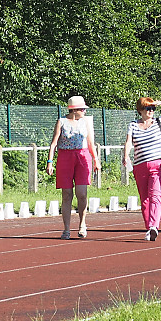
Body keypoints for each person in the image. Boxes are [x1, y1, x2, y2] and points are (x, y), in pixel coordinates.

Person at [123, 97, 161, 241]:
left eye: (152, 108)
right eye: (147, 108)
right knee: (145, 199)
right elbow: (128, 142)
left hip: (158, 166)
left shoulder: (160, 121)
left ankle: (153, 226)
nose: (150, 111)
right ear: (140, 110)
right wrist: (126, 156)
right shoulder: (133, 125)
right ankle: (149, 227)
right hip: (140, 166)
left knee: (155, 195)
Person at [46, 96, 100, 239]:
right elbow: (53, 143)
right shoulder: (61, 122)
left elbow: (90, 143)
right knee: (67, 194)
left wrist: (96, 160)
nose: (84, 111)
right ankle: (66, 229)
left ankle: (82, 223)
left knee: (81, 193)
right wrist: (50, 162)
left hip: (82, 157)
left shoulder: (85, 122)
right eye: (82, 109)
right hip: (65, 158)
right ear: (74, 110)